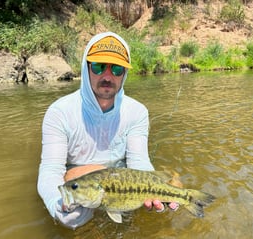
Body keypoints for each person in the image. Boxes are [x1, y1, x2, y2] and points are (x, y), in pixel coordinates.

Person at [37, 31, 178, 229]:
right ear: (86, 68)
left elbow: (139, 161)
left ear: (125, 74)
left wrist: (157, 189)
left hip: (122, 186)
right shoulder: (59, 112)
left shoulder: (137, 112)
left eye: (117, 69)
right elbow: (51, 170)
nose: (107, 76)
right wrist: (55, 204)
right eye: (99, 66)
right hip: (78, 185)